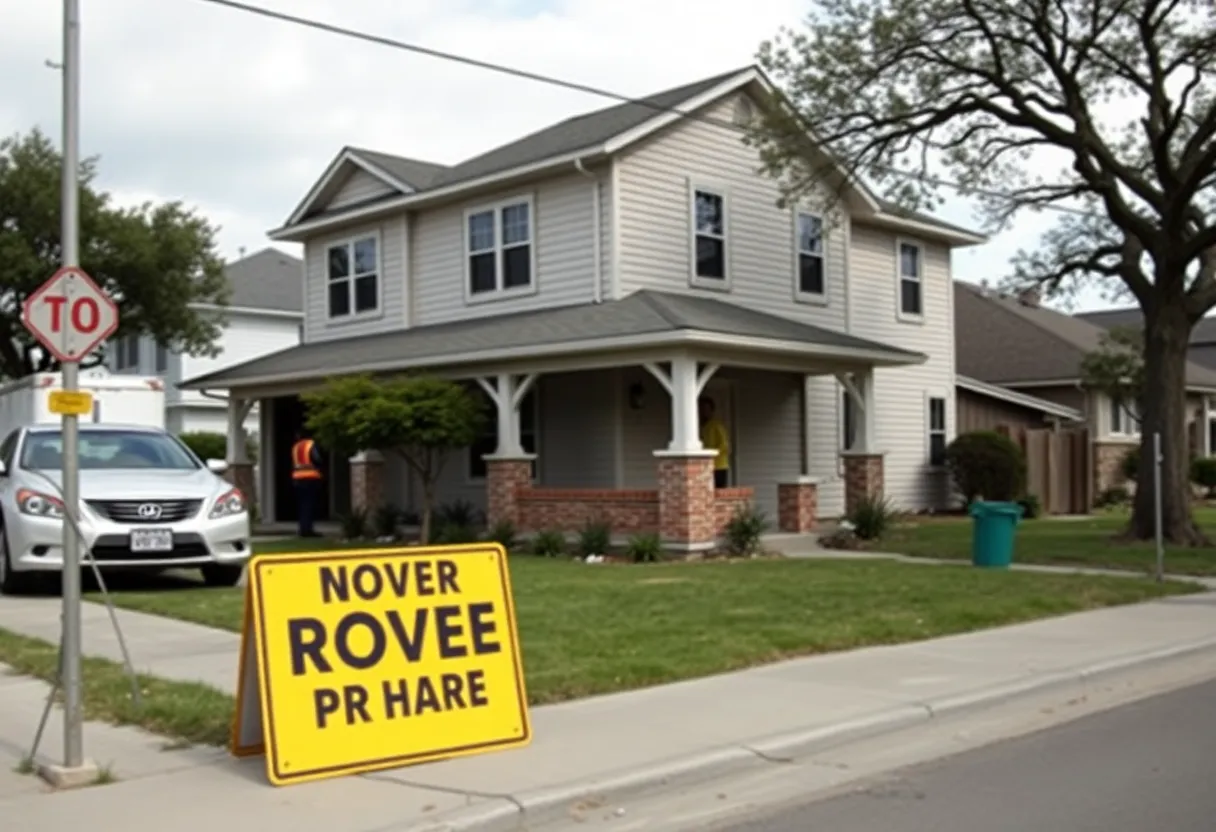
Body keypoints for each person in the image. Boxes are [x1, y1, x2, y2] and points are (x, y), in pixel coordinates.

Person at [290, 429, 324, 538]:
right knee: (309, 505)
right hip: (310, 478)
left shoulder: (295, 447)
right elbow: (317, 459)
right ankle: (307, 530)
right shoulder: (311, 444)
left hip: (297, 478)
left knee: (302, 505)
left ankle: (302, 528)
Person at [698, 396, 731, 488]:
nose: (704, 412)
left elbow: (725, 445)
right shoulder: (704, 427)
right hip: (707, 466)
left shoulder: (717, 425)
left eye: (706, 409)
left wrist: (712, 455)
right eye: (702, 409)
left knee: (719, 491)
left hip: (719, 466)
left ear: (712, 411)